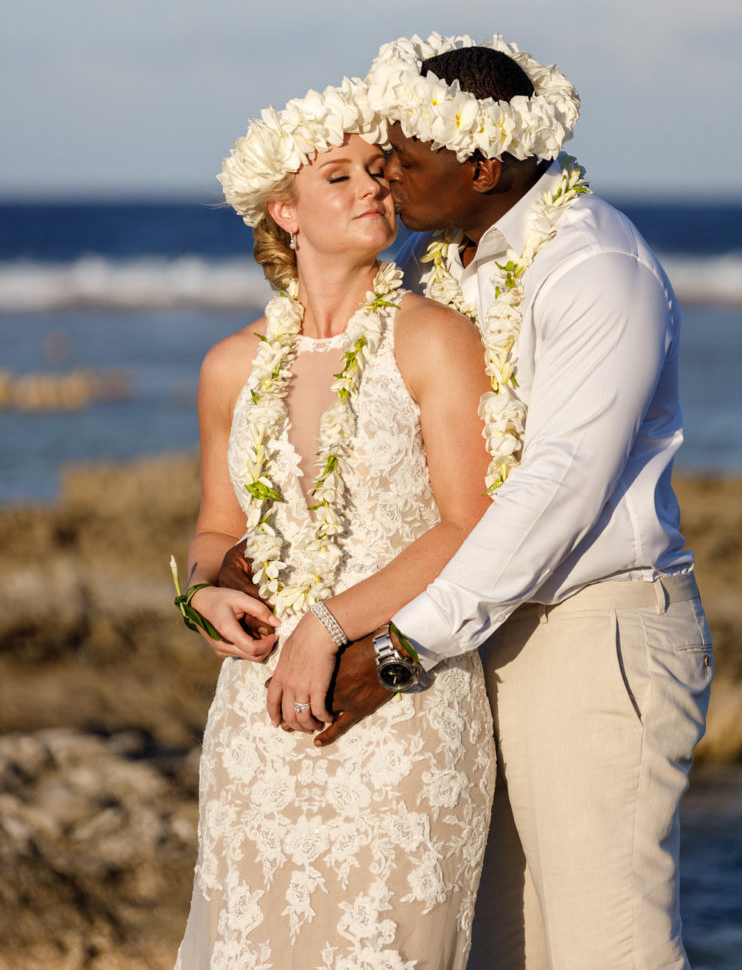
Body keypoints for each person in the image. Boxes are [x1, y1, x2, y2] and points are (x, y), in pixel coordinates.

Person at [223, 35, 713, 970]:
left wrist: (399, 648)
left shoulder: (592, 269)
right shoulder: (458, 261)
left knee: (608, 945)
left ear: (483, 165)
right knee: (502, 948)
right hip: (480, 633)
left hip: (590, 630)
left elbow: (556, 490)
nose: (386, 180)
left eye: (404, 159)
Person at [174, 76, 496, 969]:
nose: (373, 189)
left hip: (400, 705)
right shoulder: (229, 367)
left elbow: (468, 526)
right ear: (284, 211)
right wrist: (204, 597)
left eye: (379, 173)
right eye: (340, 177)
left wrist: (327, 625)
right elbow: (213, 529)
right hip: (258, 723)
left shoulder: (434, 340)